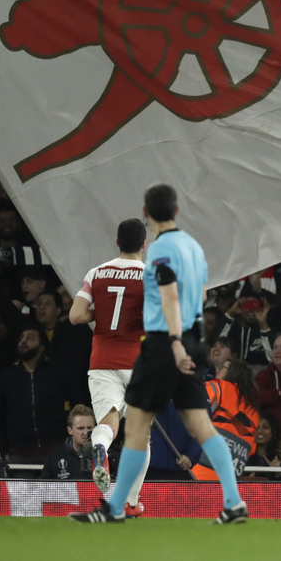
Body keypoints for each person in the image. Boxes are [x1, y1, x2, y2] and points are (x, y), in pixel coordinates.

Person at [70, 184, 248, 524]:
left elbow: (168, 298)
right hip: (189, 342)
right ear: (177, 211)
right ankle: (233, 501)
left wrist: (174, 343)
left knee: (134, 427)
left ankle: (116, 505)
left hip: (162, 347)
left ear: (147, 213)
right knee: (197, 426)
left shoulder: (157, 251)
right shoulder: (190, 246)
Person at [68, 218, 147, 499]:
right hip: (138, 363)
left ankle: (100, 445)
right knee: (140, 435)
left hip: (102, 362)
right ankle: (132, 501)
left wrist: (98, 314)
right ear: (144, 244)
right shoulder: (149, 275)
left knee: (108, 424)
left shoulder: (97, 273)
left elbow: (76, 315)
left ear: (117, 242)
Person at [0, 326, 71, 464]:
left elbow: (74, 403)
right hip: (19, 453)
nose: (23, 342)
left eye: (30, 338)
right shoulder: (7, 376)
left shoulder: (57, 372)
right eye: (21, 338)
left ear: (41, 347)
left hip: (56, 449)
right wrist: (4, 449)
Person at [191, 358, 259, 480]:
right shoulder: (254, 412)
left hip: (197, 474)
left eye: (222, 368)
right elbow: (251, 449)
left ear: (233, 373)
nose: (217, 370)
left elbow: (192, 416)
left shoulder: (217, 387)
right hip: (229, 484)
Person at [41, 405, 95, 481]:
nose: (85, 433)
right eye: (80, 428)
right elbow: (43, 488)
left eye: (89, 428)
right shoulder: (54, 457)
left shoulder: (104, 455)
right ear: (70, 430)